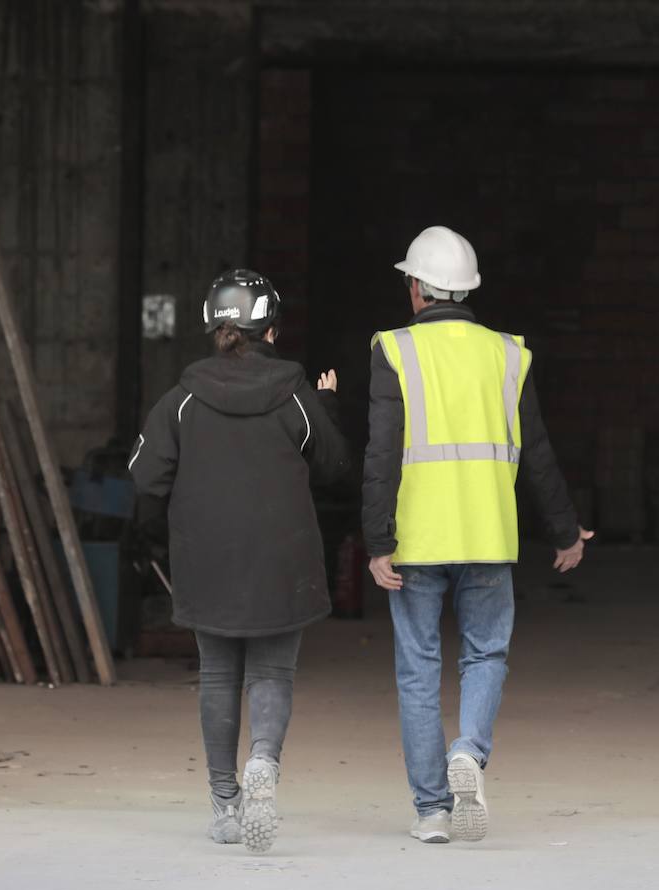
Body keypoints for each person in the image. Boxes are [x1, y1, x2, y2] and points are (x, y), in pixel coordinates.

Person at [363, 226, 594, 845]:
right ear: (467, 291)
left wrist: (377, 540)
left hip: (416, 540)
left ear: (416, 287)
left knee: (418, 670)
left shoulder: (394, 350)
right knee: (485, 655)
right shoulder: (509, 354)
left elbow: (381, 456)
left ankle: (433, 811)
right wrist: (566, 531)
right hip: (490, 535)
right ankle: (468, 751)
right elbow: (538, 452)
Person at [129, 269, 350, 854]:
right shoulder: (298, 397)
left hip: (207, 558)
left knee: (220, 675)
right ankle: (264, 764)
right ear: (271, 331)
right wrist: (327, 404)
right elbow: (333, 465)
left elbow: (145, 476)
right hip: (283, 558)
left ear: (213, 329)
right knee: (272, 673)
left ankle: (225, 804)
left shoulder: (182, 400)